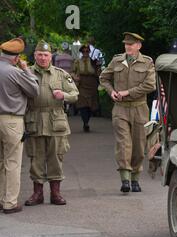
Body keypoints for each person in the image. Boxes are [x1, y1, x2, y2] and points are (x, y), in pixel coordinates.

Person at [24, 40, 79, 206]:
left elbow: (75, 94)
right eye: (39, 55)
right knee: (36, 158)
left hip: (57, 121)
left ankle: (55, 193)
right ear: (34, 55)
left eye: (46, 55)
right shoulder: (26, 73)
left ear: (51, 56)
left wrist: (64, 95)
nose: (42, 58)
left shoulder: (60, 74)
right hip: (34, 119)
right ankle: (37, 193)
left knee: (56, 157)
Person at [99, 32, 156, 193]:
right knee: (123, 143)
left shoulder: (147, 63)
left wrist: (127, 92)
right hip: (120, 109)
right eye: (126, 44)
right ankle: (125, 178)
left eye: (131, 44)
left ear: (139, 46)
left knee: (139, 145)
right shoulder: (117, 60)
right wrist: (111, 92)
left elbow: (150, 85)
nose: (128, 47)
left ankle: (135, 179)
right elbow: (104, 78)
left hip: (140, 108)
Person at [0, 38, 39, 214]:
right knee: (12, 162)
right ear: (16, 58)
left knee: (1, 162)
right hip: (11, 120)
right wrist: (26, 71)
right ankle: (9, 203)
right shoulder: (15, 72)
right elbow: (34, 91)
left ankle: (1, 199)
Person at [72, 44, 101, 132]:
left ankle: (87, 121)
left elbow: (98, 73)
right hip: (82, 83)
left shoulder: (93, 61)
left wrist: (98, 67)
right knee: (82, 104)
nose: (85, 53)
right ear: (81, 52)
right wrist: (75, 77)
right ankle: (85, 123)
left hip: (92, 83)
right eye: (83, 51)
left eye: (87, 51)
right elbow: (72, 72)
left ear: (89, 52)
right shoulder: (77, 61)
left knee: (90, 105)